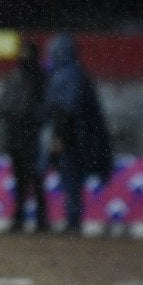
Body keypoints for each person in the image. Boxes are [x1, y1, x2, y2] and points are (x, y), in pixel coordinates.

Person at [39, 33, 112, 235]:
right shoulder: (69, 73)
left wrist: (59, 138)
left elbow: (65, 110)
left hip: (72, 137)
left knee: (71, 179)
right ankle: (72, 220)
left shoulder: (68, 75)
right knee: (69, 180)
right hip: (74, 135)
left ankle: (73, 221)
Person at [0, 40, 49, 233]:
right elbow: (2, 105)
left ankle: (40, 221)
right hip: (19, 133)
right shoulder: (20, 76)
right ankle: (21, 219)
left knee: (34, 178)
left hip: (30, 134)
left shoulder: (39, 78)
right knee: (22, 179)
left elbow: (43, 107)